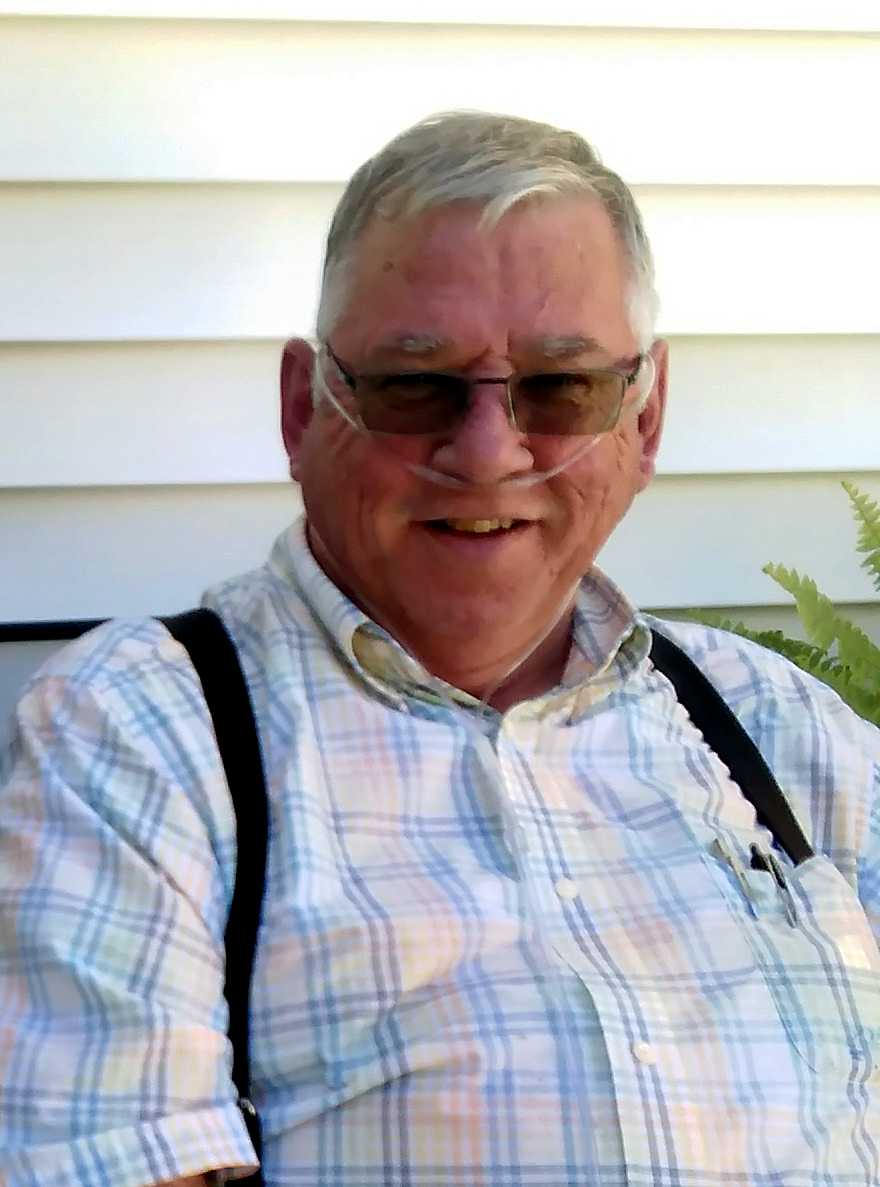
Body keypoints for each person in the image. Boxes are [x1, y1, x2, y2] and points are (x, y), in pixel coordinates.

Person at [1, 111, 878, 1187]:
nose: (487, 452)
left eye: (561, 387)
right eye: (414, 385)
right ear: (301, 409)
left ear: (643, 423)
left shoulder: (779, 724)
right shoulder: (147, 732)